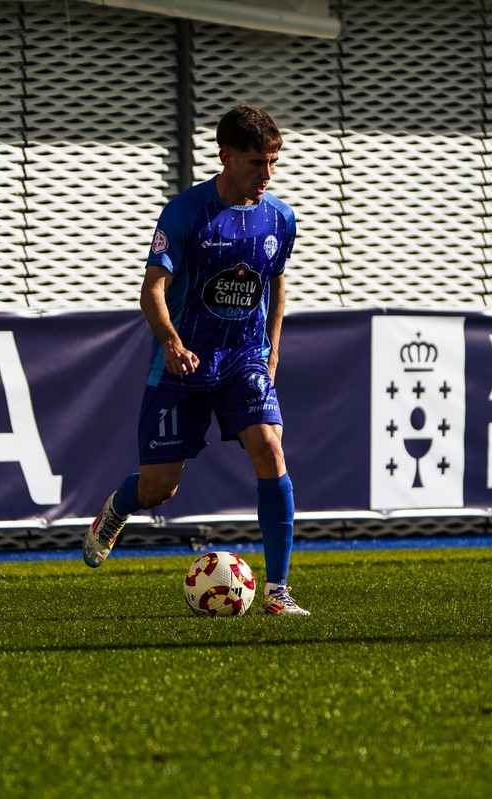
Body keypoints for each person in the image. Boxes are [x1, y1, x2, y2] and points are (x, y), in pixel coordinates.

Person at [82, 105, 309, 616]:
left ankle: (277, 590)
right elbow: (152, 290)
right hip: (184, 364)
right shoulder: (185, 213)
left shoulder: (280, 218)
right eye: (256, 163)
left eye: (273, 161)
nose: (266, 174)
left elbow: (275, 282)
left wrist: (271, 353)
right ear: (225, 156)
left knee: (269, 449)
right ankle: (118, 508)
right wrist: (171, 342)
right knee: (160, 487)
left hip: (243, 358)